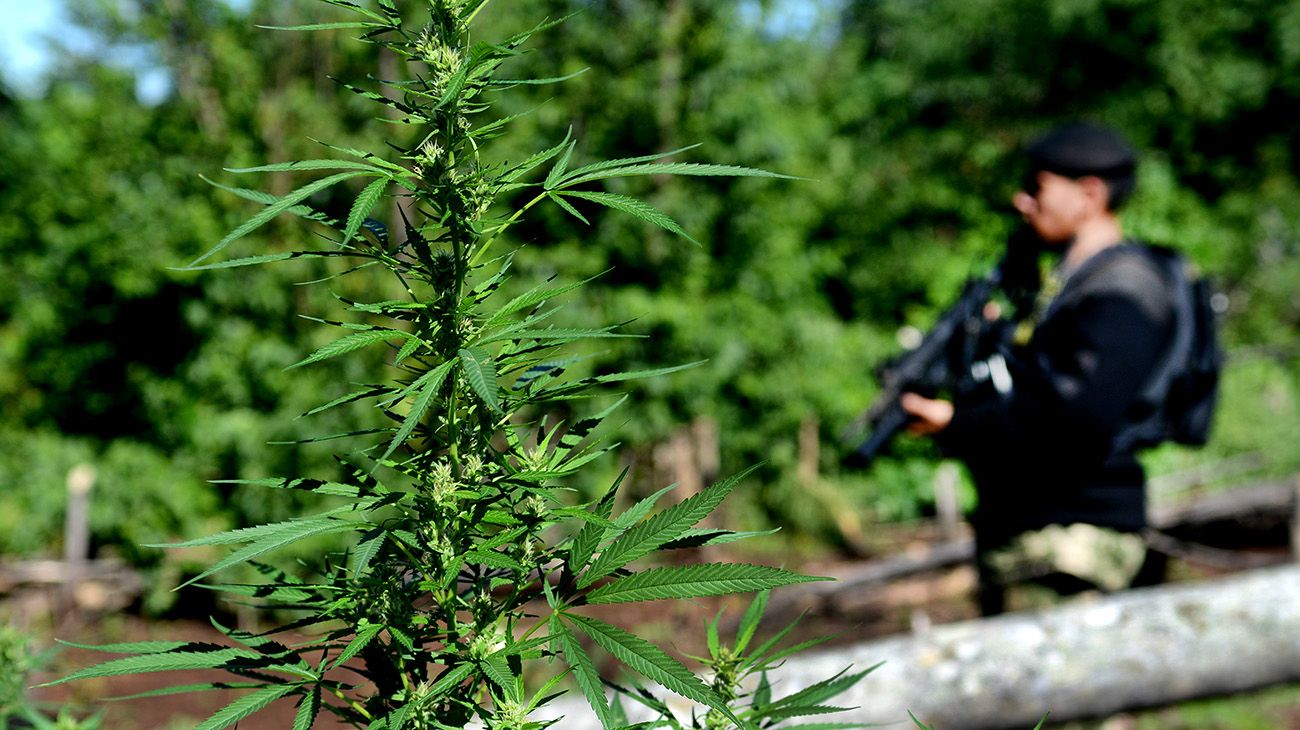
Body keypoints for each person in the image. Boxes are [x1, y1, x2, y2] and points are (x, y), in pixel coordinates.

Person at [900, 121, 1174, 615]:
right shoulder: (1075, 285)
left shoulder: (1124, 290)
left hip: (1069, 549)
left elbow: (1075, 419)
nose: (1022, 201)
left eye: (1038, 186)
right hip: (1038, 539)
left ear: (1089, 194)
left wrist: (958, 423)